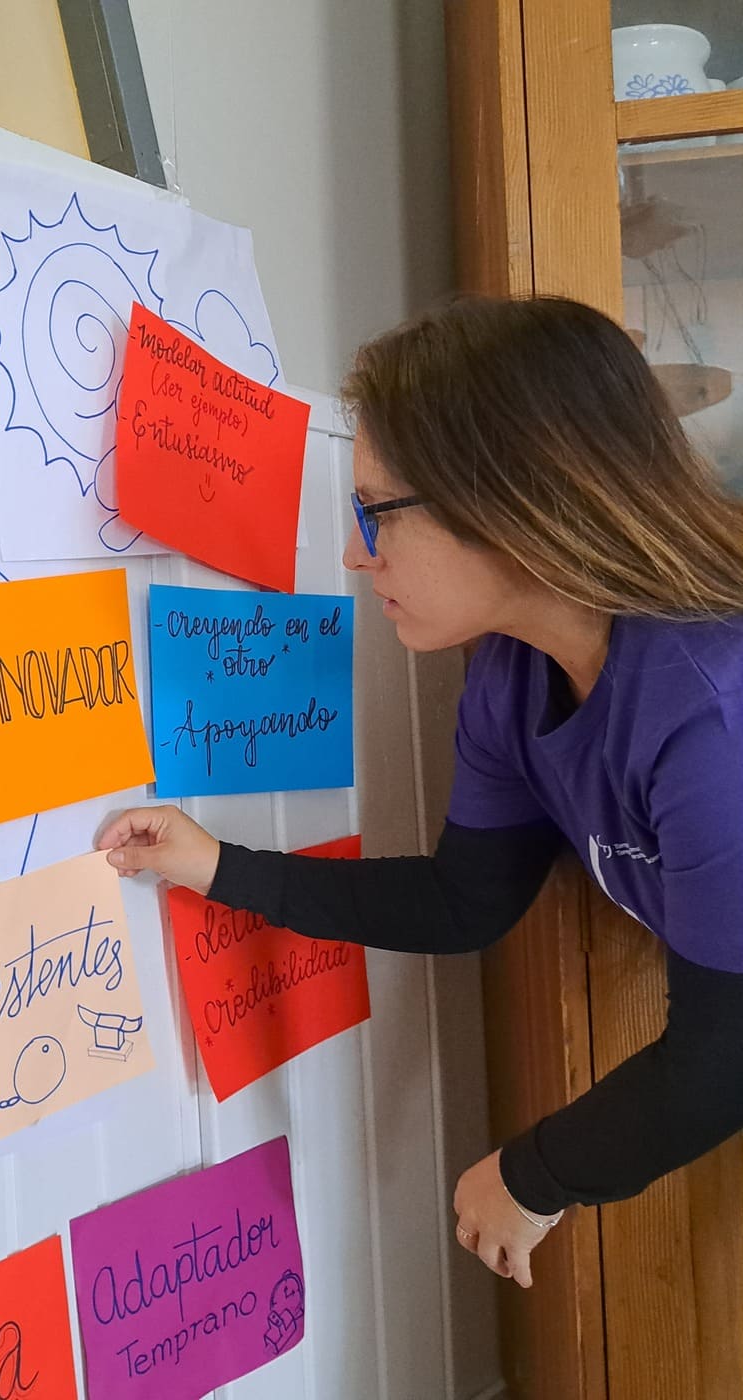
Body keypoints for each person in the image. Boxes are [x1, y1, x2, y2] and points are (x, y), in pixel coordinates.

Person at [98, 294, 743, 1290]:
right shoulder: (511, 677)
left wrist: (531, 1176)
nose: (356, 555)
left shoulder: (710, 714)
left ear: (514, 498)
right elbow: (462, 899)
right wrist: (217, 865)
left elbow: (724, 1055)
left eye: (376, 513)